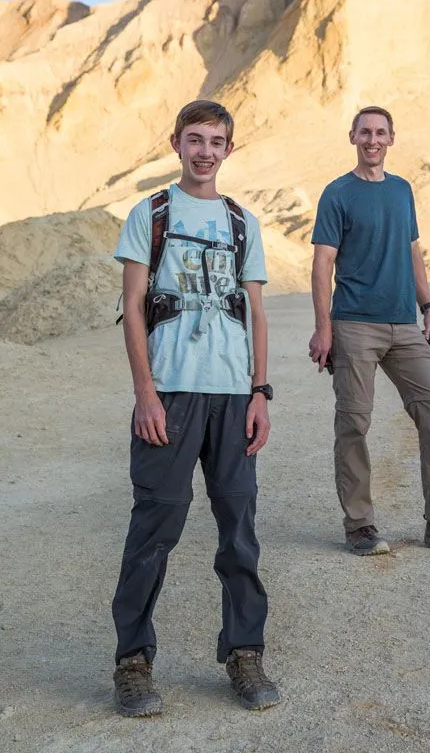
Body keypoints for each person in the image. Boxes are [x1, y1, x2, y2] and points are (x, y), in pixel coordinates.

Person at [111, 100, 280, 716]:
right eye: (194, 139)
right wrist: (146, 394)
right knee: (155, 527)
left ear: (229, 150)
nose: (205, 150)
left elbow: (257, 312)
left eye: (216, 141)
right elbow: (131, 308)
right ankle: (132, 660)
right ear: (175, 143)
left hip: (234, 397)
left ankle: (244, 652)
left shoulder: (242, 222)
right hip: (172, 396)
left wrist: (260, 393)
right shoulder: (150, 214)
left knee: (239, 531)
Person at [308, 106, 430, 556]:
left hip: (404, 325)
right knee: (354, 423)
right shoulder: (338, 193)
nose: (372, 139)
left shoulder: (402, 191)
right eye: (365, 132)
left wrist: (427, 308)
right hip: (354, 325)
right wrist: (324, 329)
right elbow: (322, 264)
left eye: (381, 133)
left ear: (392, 139)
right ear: (352, 136)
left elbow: (413, 253)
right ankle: (360, 526)